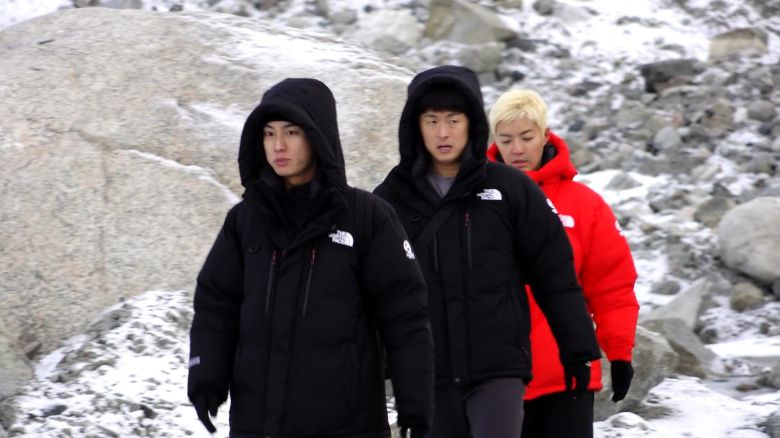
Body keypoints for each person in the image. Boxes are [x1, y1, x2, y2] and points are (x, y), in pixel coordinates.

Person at [187, 78, 434, 438]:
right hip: (258, 425)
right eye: (268, 134)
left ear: (318, 137)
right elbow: (216, 304)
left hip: (347, 426)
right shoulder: (244, 221)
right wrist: (206, 377)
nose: (278, 145)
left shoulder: (367, 218)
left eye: (291, 132)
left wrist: (415, 401)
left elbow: (405, 314)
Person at [373, 65, 601, 438]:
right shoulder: (389, 200)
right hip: (427, 374)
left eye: (453, 120)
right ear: (415, 126)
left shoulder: (511, 189)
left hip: (498, 369)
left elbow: (554, 275)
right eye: (431, 121)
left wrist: (578, 349)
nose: (443, 133)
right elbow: (374, 292)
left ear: (472, 123)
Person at [487, 89, 640, 438]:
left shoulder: (585, 205)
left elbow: (612, 286)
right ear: (494, 141)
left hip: (567, 376)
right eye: (506, 140)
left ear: (545, 135)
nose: (517, 149)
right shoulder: (475, 202)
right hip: (493, 379)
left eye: (527, 137)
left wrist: (619, 352)